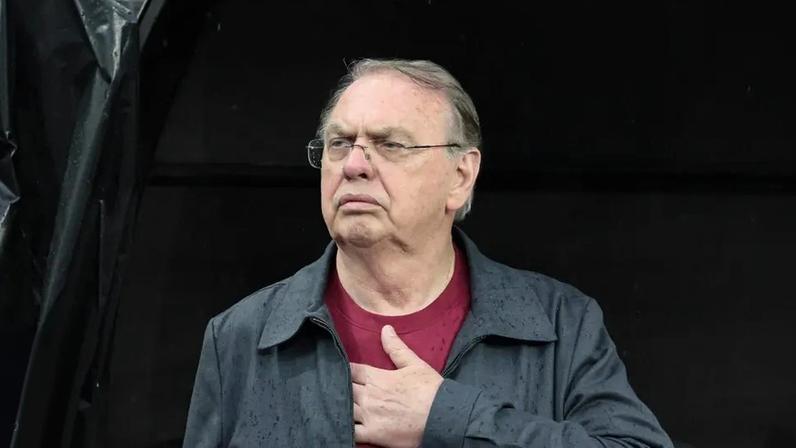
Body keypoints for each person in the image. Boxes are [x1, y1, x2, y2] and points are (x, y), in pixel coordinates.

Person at [183, 58, 673, 448]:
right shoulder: (241, 338)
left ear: (460, 177)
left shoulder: (561, 324)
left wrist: (448, 419)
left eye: (390, 144)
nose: (353, 164)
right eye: (338, 144)